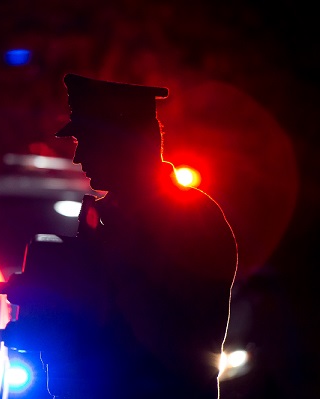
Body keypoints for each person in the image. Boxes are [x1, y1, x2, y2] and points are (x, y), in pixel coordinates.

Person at [49, 73, 239, 398]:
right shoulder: (112, 216)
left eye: (88, 141)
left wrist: (118, 265)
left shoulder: (191, 219)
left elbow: (185, 354)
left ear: (126, 143)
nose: (78, 157)